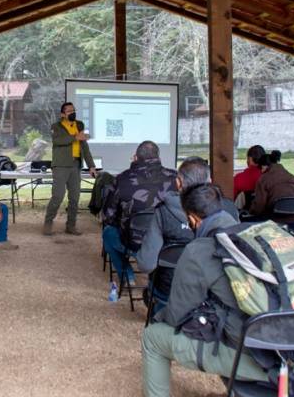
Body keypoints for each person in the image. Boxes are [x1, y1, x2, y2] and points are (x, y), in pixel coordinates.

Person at [142, 196, 269, 397]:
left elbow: (177, 317)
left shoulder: (201, 249)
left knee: (153, 337)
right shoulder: (261, 236)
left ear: (193, 220)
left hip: (261, 360)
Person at [137, 156, 238, 276]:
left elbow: (146, 264)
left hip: (169, 288)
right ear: (210, 181)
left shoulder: (163, 212)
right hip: (217, 288)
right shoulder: (230, 209)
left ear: (178, 182)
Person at [101, 141, 177, 284]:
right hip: (168, 244)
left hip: (133, 242)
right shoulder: (175, 178)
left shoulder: (122, 179)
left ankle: (127, 275)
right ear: (158, 157)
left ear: (136, 157)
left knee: (108, 233)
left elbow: (108, 215)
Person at [43, 102, 96, 236]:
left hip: (76, 165)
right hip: (61, 165)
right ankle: (48, 224)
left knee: (75, 197)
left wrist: (91, 165)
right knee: (58, 196)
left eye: (74, 110)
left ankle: (71, 226)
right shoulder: (56, 126)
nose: (72, 113)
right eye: (69, 111)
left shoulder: (79, 125)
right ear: (62, 114)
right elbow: (57, 141)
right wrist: (75, 137)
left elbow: (84, 147)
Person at [248, 150, 294, 217]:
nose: (261, 171)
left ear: (265, 166)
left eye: (261, 168)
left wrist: (249, 212)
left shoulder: (263, 179)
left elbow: (259, 206)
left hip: (273, 221)